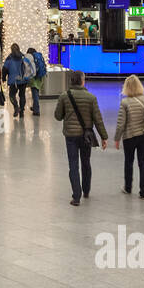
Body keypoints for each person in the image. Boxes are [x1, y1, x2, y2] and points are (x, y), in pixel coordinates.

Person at [53, 70, 107, 206]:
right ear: (83, 81)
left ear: (71, 81)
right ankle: (86, 190)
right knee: (86, 162)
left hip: (70, 135)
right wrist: (104, 137)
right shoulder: (91, 97)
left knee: (73, 165)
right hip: (86, 136)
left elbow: (58, 116)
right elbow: (98, 119)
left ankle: (76, 197)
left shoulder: (64, 96)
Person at [114, 74, 144, 200]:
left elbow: (121, 123)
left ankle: (128, 187)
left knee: (129, 162)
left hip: (130, 136)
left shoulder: (125, 102)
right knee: (143, 163)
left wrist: (117, 138)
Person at [2, 43, 29, 117]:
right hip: (23, 80)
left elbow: (5, 69)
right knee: (22, 95)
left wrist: (3, 78)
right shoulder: (23, 57)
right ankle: (22, 111)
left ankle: (16, 107)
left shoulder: (9, 58)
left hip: (13, 81)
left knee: (12, 95)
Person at [26, 46, 47, 116]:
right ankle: (35, 107)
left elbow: (31, 70)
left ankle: (36, 110)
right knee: (36, 93)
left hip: (34, 78)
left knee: (35, 94)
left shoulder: (32, 58)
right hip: (40, 77)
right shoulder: (39, 56)